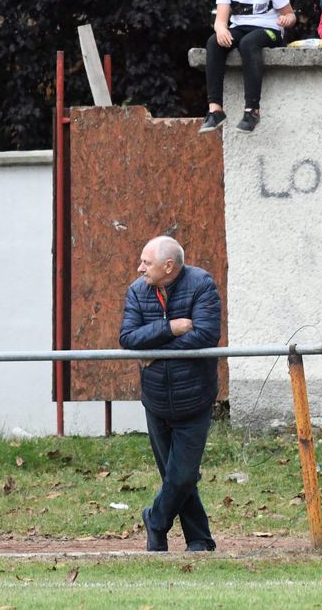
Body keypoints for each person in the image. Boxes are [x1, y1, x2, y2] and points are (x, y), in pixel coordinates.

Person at [119, 235, 223, 552]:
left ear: (168, 266)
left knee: (182, 476)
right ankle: (199, 540)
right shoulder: (138, 291)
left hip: (194, 398)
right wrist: (172, 328)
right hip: (156, 400)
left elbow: (206, 335)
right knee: (176, 477)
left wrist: (157, 352)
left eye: (146, 263)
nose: (139, 269)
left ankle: (156, 519)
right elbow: (128, 338)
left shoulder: (201, 284)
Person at [199, 0, 297, 135]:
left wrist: (287, 19)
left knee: (248, 43)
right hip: (241, 27)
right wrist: (221, 30)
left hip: (269, 31)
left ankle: (252, 110)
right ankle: (215, 110)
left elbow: (290, 14)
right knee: (213, 42)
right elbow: (220, 20)